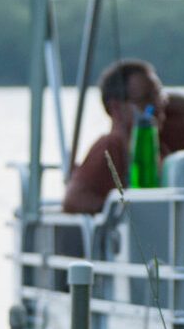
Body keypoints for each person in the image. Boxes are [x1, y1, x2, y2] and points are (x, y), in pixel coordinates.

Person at [63, 59, 164, 214]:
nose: (158, 105)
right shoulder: (109, 146)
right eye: (147, 98)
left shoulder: (159, 140)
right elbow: (73, 199)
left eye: (159, 96)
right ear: (116, 107)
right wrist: (126, 215)